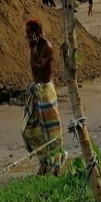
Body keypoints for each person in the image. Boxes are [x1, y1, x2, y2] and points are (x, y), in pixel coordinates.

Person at [21, 19, 65, 176]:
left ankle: (56, 167)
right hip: (37, 91)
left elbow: (36, 68)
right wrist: (32, 48)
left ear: (37, 34)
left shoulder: (47, 47)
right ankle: (44, 161)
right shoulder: (35, 46)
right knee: (30, 130)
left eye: (29, 34)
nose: (27, 38)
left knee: (52, 131)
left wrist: (33, 49)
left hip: (46, 91)